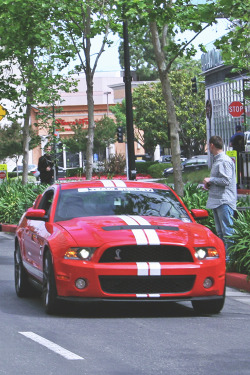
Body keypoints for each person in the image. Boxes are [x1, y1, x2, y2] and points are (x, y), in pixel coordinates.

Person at [203, 136, 237, 256]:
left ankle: (229, 259)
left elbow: (226, 180)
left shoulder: (223, 160)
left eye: (208, 145)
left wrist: (211, 179)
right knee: (221, 232)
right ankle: (224, 257)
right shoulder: (219, 160)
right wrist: (209, 183)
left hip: (224, 201)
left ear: (212, 145)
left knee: (227, 232)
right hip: (218, 200)